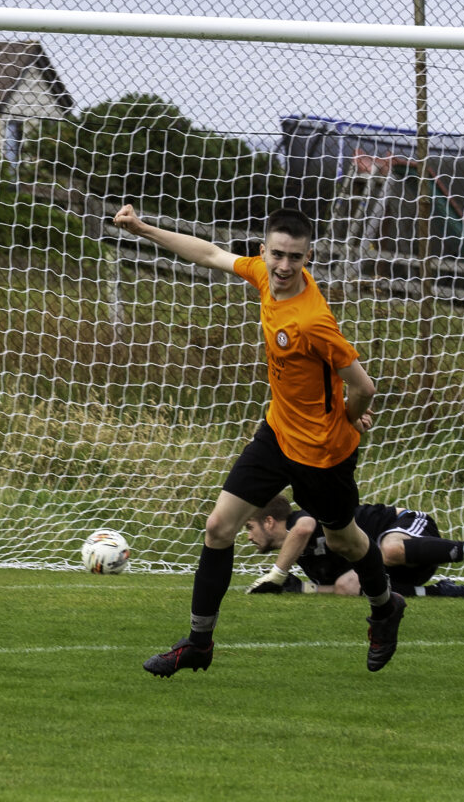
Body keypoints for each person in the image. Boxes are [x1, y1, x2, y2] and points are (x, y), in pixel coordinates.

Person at [115, 203, 407, 676]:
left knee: (345, 542)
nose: (285, 266)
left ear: (309, 257)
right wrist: (142, 228)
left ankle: (384, 606)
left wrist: (351, 419)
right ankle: (198, 643)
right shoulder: (263, 277)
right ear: (263, 251)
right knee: (218, 528)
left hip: (322, 454)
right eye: (277, 255)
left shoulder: (312, 320)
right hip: (276, 434)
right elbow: (209, 254)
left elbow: (365, 386)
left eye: (295, 257)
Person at [243, 496, 464, 598]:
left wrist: (277, 573)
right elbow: (343, 586)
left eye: (249, 527)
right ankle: (437, 592)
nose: (248, 536)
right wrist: (299, 588)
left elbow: (303, 530)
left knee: (389, 550)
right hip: (405, 573)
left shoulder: (301, 518)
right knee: (348, 586)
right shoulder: (307, 558)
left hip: (408, 531)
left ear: (269, 521)